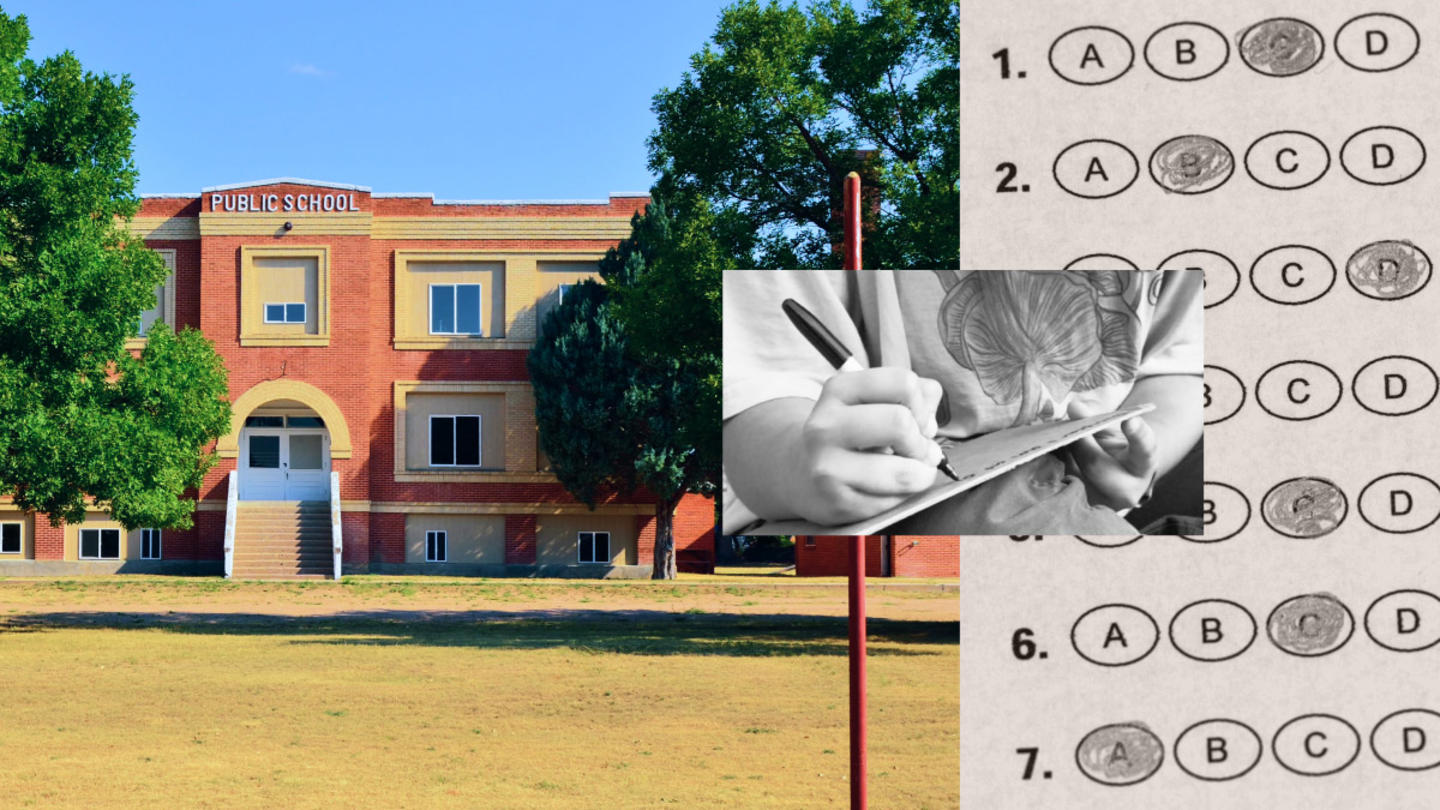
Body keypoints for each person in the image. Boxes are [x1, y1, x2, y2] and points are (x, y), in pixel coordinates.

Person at [721, 269, 1203, 534]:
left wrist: (1145, 452)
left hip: (1093, 484)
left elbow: (1176, 363)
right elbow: (760, 386)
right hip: (914, 493)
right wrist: (793, 465)